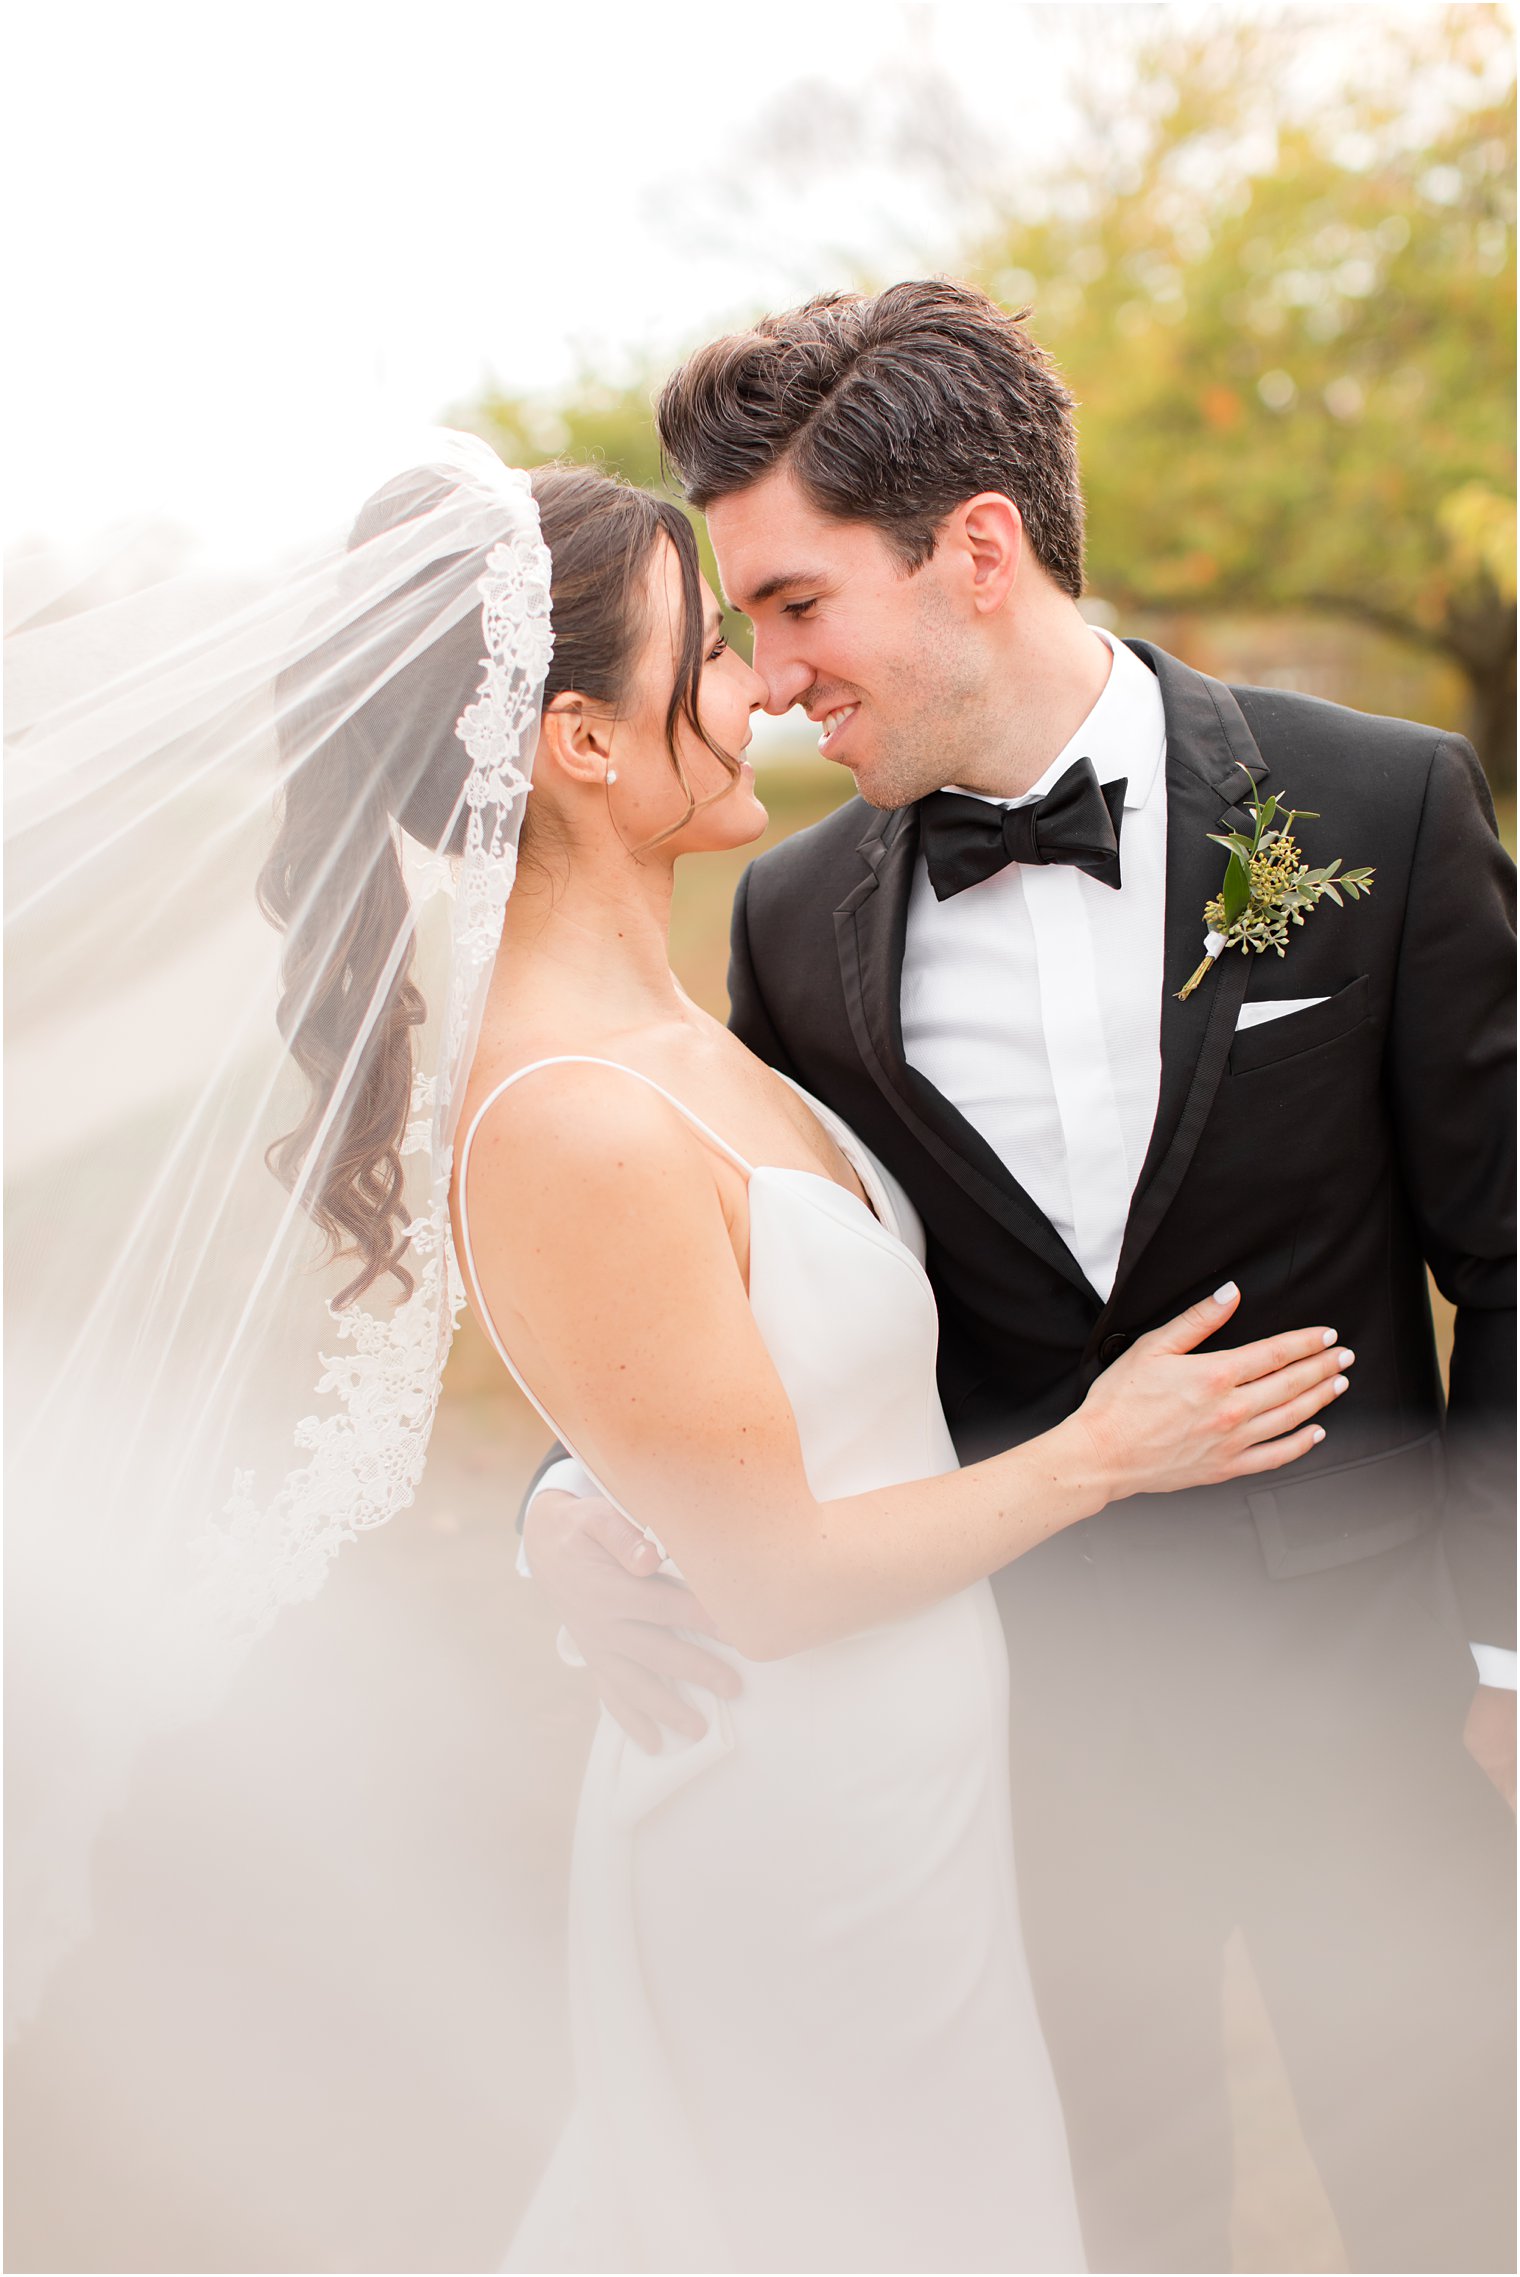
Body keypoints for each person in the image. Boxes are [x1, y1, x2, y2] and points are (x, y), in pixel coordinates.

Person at [522, 281, 1517, 2274]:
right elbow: (753, 1282)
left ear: (976, 548)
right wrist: (574, 1497)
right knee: (1110, 2219)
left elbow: (1507, 1255)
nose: (770, 677)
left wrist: (1505, 1651)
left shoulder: (1376, 806)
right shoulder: (799, 918)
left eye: (794, 604)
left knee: (1454, 2196)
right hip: (1015, 1733)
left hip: (1380, 1705)